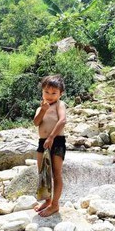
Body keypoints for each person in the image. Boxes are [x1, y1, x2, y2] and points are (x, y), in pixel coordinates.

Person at [33, 74, 67, 217]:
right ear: (42, 91)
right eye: (47, 92)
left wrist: (52, 137)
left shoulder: (60, 104)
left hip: (57, 140)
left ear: (61, 93)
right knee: (43, 172)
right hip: (43, 142)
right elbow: (36, 122)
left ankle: (55, 205)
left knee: (56, 173)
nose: (50, 96)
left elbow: (63, 121)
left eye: (54, 93)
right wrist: (43, 110)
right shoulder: (41, 107)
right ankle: (47, 200)